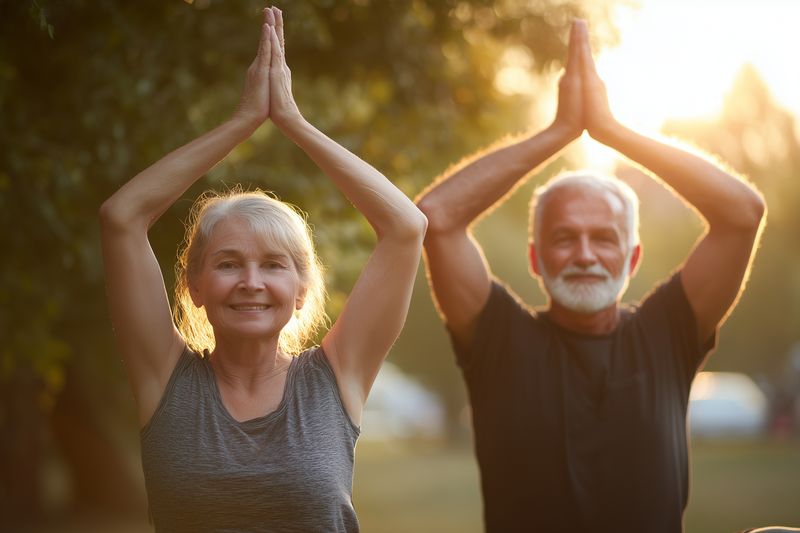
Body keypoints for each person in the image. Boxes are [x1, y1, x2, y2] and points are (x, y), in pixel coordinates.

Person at [416, 19, 765, 533]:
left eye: (604, 238)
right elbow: (436, 216)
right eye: (564, 238)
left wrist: (611, 130)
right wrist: (559, 133)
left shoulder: (666, 333)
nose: (584, 254)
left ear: (632, 258)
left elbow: (743, 213)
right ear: (536, 260)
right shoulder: (500, 339)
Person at [99, 7, 426, 532]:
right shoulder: (164, 379)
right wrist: (242, 122)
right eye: (229, 264)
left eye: (274, 265)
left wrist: (293, 122)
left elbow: (407, 226)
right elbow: (121, 217)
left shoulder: (336, 378)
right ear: (196, 285)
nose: (251, 282)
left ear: (301, 290)